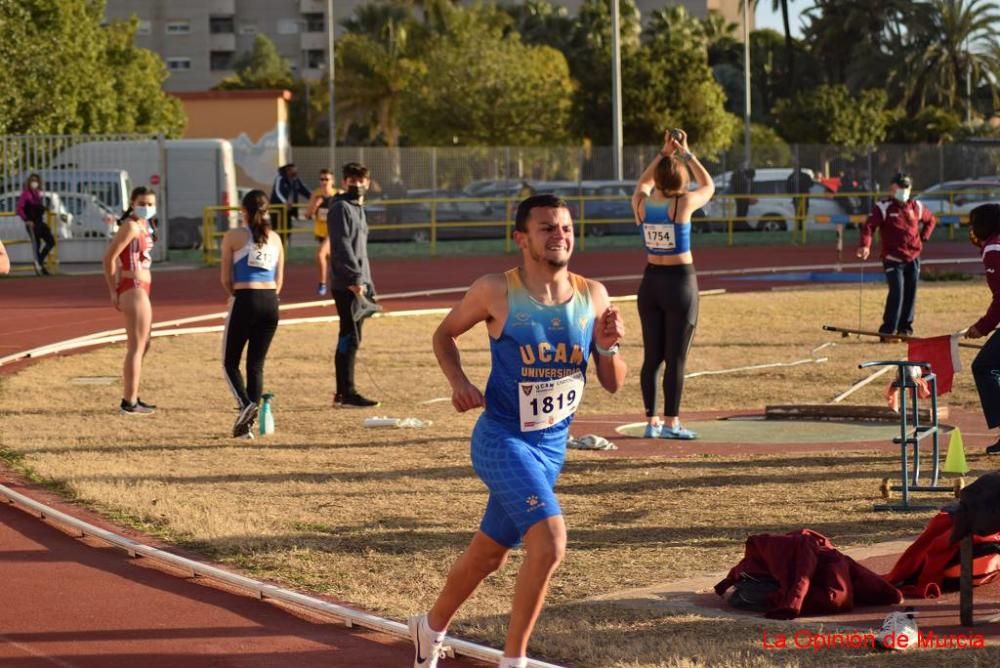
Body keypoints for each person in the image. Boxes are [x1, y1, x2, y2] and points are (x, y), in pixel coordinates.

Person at [410, 194, 627, 668]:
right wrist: (459, 382)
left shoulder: (594, 295)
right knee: (550, 542)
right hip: (502, 439)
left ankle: (429, 629)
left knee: (490, 556)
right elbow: (443, 334)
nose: (560, 236)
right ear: (522, 238)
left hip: (551, 449)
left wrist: (607, 349)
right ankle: (515, 661)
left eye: (566, 228)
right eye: (547, 228)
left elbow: (612, 383)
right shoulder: (496, 290)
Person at [630, 129, 715, 439]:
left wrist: (663, 154)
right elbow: (708, 185)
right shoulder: (683, 205)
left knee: (652, 357)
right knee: (675, 358)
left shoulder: (640, 203)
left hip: (650, 282)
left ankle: (651, 423)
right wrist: (687, 153)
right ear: (681, 182)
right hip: (680, 283)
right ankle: (671, 422)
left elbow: (642, 183)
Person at [220, 190, 284, 439]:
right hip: (271, 302)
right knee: (256, 366)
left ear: (243, 211)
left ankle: (246, 405)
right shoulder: (276, 239)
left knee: (229, 362)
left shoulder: (234, 236)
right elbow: (279, 280)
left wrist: (236, 294)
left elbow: (226, 278)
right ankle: (246, 428)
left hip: (246, 298)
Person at [319, 162, 380, 408]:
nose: (356, 184)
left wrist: (368, 283)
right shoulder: (341, 207)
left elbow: (360, 251)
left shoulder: (359, 207)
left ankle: (343, 392)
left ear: (368, 182)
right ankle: (346, 392)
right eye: (352, 180)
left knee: (352, 335)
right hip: (347, 285)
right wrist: (355, 279)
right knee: (349, 336)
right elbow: (342, 247)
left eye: (361, 180)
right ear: (344, 182)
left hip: (360, 282)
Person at [857, 172, 938, 339]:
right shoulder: (883, 207)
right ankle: (888, 331)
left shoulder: (917, 206)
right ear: (892, 189)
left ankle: (905, 330)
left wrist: (924, 237)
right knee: (897, 292)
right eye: (899, 187)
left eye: (905, 187)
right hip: (893, 259)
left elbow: (931, 220)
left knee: (910, 293)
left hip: (913, 257)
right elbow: (869, 227)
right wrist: (865, 245)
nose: (902, 190)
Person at [102, 187, 158, 415]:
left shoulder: (145, 226)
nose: (147, 207)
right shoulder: (131, 226)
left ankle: (132, 394)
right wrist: (113, 289)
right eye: (142, 202)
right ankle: (129, 402)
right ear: (133, 203)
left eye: (150, 203)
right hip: (132, 287)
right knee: (136, 347)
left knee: (145, 344)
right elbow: (109, 257)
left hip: (141, 287)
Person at [963, 204, 1000, 454]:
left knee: (984, 366)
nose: (971, 230)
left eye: (974, 223)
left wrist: (982, 326)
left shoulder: (994, 249)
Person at [305, 168, 338, 296]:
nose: (324, 182)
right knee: (331, 259)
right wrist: (315, 205)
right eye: (322, 179)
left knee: (320, 254)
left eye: (327, 179)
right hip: (320, 232)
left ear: (332, 181)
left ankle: (322, 283)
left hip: (333, 232)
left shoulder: (338, 195)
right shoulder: (316, 194)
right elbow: (308, 215)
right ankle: (334, 281)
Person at [16, 173, 55, 275]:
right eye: (32, 180)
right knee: (37, 245)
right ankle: (40, 268)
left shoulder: (37, 194)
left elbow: (38, 207)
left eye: (36, 180)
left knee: (51, 241)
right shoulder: (25, 194)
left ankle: (39, 262)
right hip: (31, 223)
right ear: (29, 182)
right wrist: (26, 220)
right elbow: (19, 209)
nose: (34, 182)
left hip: (39, 222)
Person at [269, 163, 311, 242]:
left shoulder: (295, 180)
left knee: (287, 229)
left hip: (287, 210)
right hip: (277, 209)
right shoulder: (280, 178)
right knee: (276, 229)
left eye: (296, 171)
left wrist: (313, 197)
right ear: (287, 171)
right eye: (293, 171)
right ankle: (275, 244)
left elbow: (303, 190)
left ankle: (282, 244)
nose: (295, 173)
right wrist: (285, 202)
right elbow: (278, 192)